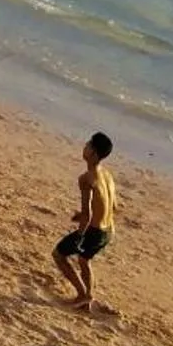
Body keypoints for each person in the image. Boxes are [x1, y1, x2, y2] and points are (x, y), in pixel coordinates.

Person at [51, 133, 117, 311]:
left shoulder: (86, 178)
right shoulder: (107, 175)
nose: (84, 146)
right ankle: (86, 299)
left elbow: (88, 214)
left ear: (93, 153)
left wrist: (80, 235)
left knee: (58, 254)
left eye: (88, 145)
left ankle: (83, 295)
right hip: (108, 231)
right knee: (84, 259)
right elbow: (113, 206)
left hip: (94, 231)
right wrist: (83, 216)